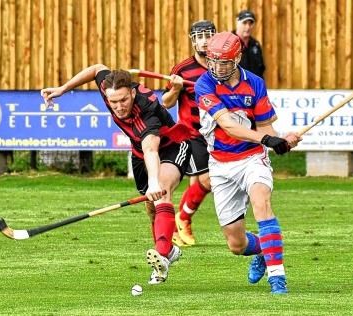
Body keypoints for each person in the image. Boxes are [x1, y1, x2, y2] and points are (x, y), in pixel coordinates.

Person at [41, 66, 191, 285]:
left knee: (162, 191)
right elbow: (96, 69)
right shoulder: (107, 87)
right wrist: (63, 89)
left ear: (132, 92)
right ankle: (168, 251)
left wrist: (153, 182)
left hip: (171, 146)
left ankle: (161, 256)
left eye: (123, 100)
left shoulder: (146, 110)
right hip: (139, 153)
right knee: (152, 209)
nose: (119, 107)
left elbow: (152, 149)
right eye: (113, 102)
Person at [194, 31, 301, 294]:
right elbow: (229, 125)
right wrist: (267, 139)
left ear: (237, 58)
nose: (218, 67)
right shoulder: (204, 85)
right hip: (221, 164)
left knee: (261, 202)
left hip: (253, 158)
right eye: (213, 61)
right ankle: (264, 249)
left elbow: (266, 126)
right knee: (236, 244)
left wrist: (281, 142)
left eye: (225, 62)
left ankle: (278, 278)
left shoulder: (254, 83)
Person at [162, 20, 216, 246]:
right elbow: (166, 102)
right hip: (193, 134)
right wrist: (175, 89)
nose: (204, 40)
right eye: (199, 36)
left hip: (220, 133)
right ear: (193, 40)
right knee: (210, 180)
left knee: (215, 181)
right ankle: (182, 219)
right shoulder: (182, 69)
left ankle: (183, 219)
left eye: (208, 35)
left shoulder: (223, 66)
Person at [233, 9, 265, 78]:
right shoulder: (229, 42)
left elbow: (261, 69)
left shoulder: (255, 45)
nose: (248, 27)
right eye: (244, 23)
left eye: (250, 23)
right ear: (237, 22)